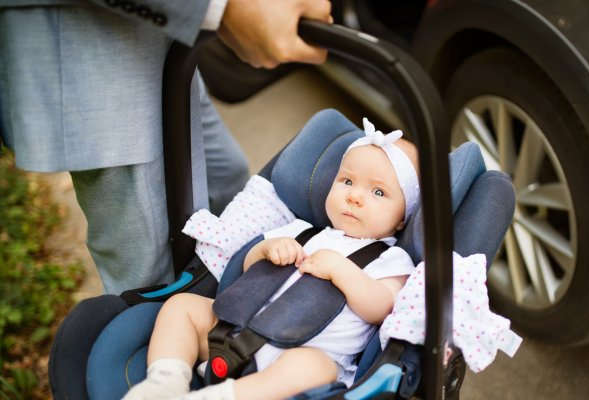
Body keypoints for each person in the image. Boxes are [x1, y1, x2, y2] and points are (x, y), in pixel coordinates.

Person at [0, 0, 333, 294]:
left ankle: (227, 292)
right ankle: (158, 339)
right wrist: (226, 6)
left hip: (163, 39)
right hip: (89, 39)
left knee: (225, 178)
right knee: (149, 267)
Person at [122, 126, 421, 400]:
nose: (354, 196)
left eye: (378, 192)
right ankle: (165, 381)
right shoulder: (300, 230)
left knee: (316, 367)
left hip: (296, 358)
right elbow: (247, 266)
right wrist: (267, 249)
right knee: (183, 307)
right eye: (347, 181)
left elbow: (382, 306)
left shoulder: (393, 260)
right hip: (230, 332)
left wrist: (341, 271)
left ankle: (222, 396)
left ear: (402, 218)